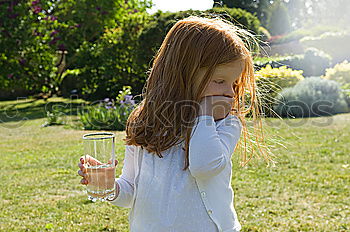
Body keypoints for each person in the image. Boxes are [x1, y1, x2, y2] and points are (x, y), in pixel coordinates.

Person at [78, 15, 273, 232]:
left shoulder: (225, 123)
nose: (229, 92)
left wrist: (203, 113)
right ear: (183, 74)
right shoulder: (144, 121)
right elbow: (131, 191)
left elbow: (204, 167)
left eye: (234, 84)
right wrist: (109, 187)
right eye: (220, 81)